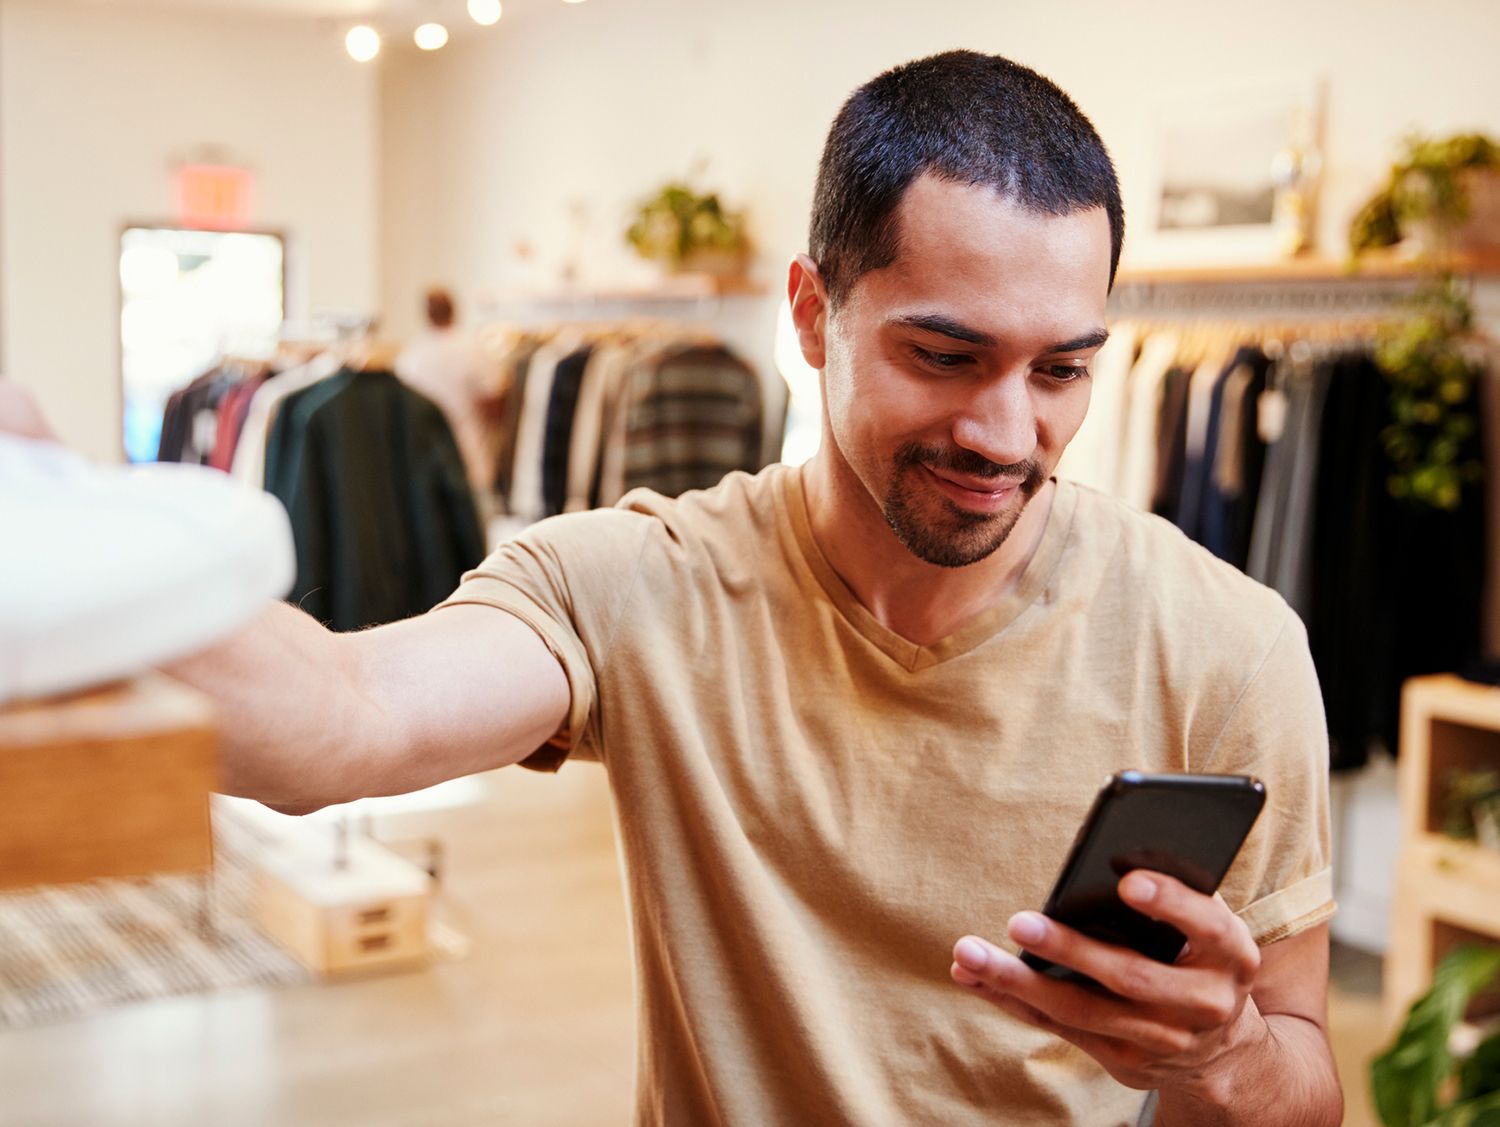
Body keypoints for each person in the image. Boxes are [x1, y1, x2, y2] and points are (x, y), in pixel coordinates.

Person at [159, 51, 1337, 1125]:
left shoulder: (1228, 648)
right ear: (814, 315)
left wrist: (1222, 1051)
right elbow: (339, 717)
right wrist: (61, 534)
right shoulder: (642, 584)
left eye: (1061, 370)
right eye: (945, 355)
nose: (1005, 431)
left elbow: (1306, 1080)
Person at [394, 286, 503, 499]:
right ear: (454, 309)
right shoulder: (474, 350)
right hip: (470, 457)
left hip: (427, 461)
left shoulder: (411, 355)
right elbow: (495, 407)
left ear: (426, 314)